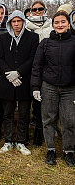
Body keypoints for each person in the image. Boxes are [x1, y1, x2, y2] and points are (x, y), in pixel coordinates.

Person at [31, 11, 75, 167]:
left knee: (69, 121)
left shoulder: (74, 42)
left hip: (69, 89)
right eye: (57, 22)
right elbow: (37, 66)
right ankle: (50, 150)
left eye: (63, 22)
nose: (60, 25)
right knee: (48, 120)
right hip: (48, 87)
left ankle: (69, 152)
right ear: (53, 24)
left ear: (68, 24)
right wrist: (36, 87)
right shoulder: (46, 43)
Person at [0, 10, 39, 155]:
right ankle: (8, 140)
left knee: (23, 113)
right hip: (7, 81)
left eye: (18, 21)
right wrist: (9, 74)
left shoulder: (33, 37)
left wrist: (18, 72)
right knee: (7, 113)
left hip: (24, 81)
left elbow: (33, 59)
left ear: (23, 21)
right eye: (13, 22)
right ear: (10, 23)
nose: (16, 24)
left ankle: (21, 141)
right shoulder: (3, 38)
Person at [25, 0, 53, 147]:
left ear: (44, 10)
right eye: (34, 9)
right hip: (29, 67)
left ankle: (40, 131)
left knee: (42, 101)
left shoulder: (51, 26)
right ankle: (31, 130)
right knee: (30, 99)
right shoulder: (27, 26)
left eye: (40, 9)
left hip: (47, 68)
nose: (37, 11)